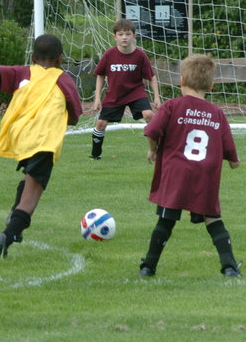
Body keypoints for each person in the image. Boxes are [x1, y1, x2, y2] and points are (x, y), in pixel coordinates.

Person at [0, 34, 82, 259]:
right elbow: (74, 119)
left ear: (33, 57)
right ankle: (7, 235)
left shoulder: (24, 73)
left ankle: (13, 217)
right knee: (31, 197)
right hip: (44, 141)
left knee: (28, 178)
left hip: (21, 136)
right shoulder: (63, 80)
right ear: (60, 59)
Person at [139, 54, 240, 277]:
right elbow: (229, 149)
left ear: (182, 81)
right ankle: (229, 266)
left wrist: (153, 149)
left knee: (166, 220)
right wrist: (234, 161)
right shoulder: (217, 113)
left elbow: (151, 131)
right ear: (211, 86)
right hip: (205, 175)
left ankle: (148, 266)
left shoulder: (171, 106)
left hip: (176, 172)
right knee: (213, 219)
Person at [91, 19, 160, 159]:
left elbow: (151, 77)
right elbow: (100, 75)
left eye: (128, 34)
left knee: (149, 115)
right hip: (114, 94)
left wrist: (157, 97)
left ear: (134, 36)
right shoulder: (109, 54)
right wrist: (97, 98)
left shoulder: (140, 55)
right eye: (121, 34)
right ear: (114, 37)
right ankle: (95, 154)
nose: (124, 37)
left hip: (136, 93)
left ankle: (158, 149)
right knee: (101, 123)